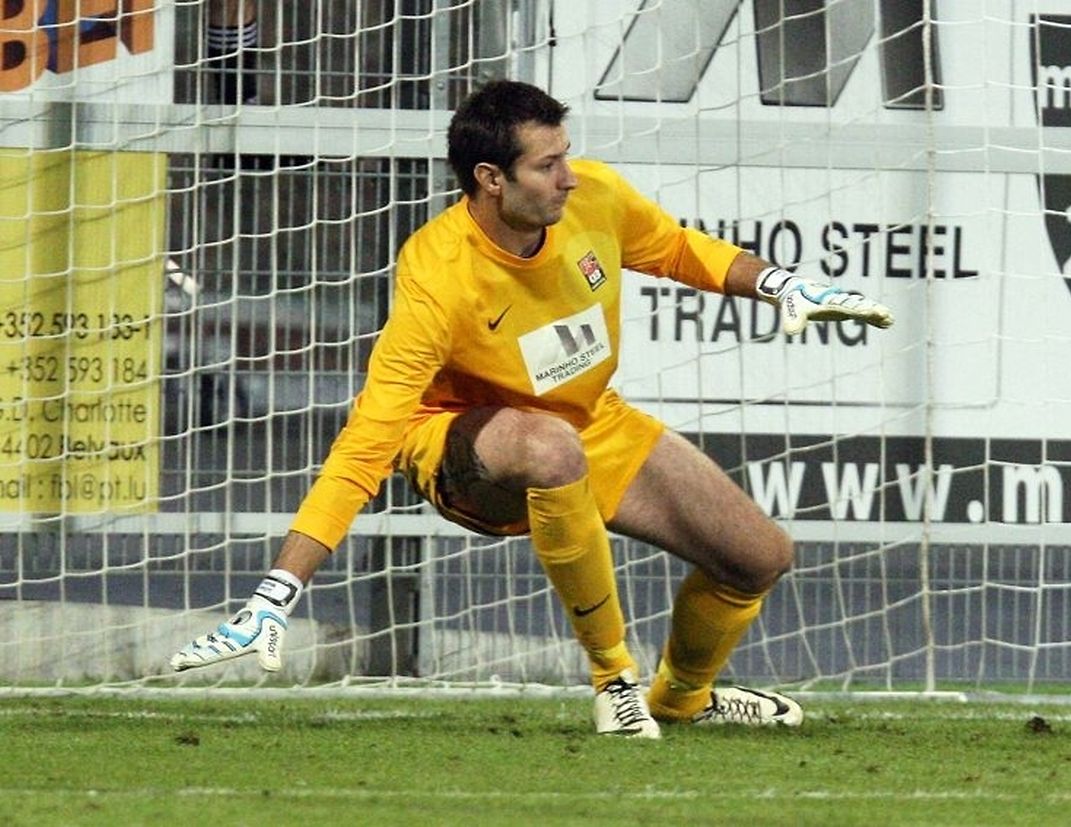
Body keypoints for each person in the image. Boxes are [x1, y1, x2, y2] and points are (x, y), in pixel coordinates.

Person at [170, 80, 894, 738]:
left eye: (565, 156)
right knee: (546, 445)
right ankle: (614, 680)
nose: (568, 176)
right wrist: (276, 592)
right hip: (460, 448)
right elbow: (368, 442)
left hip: (588, 421)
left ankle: (683, 697)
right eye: (547, 165)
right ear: (491, 179)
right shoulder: (437, 273)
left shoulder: (594, 198)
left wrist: (780, 284)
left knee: (758, 557)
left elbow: (676, 248)